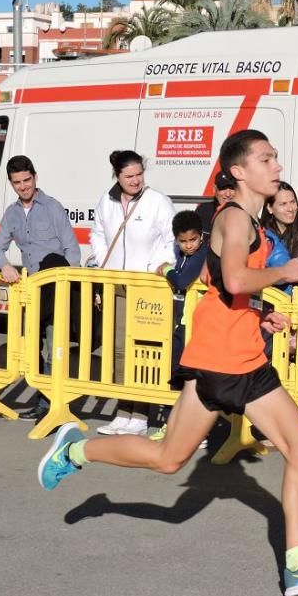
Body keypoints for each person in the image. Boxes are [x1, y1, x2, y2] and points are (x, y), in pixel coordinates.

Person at [38, 129, 298, 596]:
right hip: (233, 364)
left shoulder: (245, 220)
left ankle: (74, 452)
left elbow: (220, 288)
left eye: (275, 158)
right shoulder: (236, 220)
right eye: (267, 159)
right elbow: (234, 275)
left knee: (170, 459)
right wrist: (285, 274)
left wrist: (259, 312)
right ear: (239, 172)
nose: (277, 167)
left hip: (222, 356)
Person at [0, 155, 81, 421]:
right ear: (11, 183)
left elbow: (71, 251)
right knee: (33, 348)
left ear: (35, 177)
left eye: (26, 180)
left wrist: (67, 289)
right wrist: (4, 265)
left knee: (55, 347)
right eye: (17, 182)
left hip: (56, 289)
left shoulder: (52, 207)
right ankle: (44, 400)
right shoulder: (12, 213)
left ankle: (54, 404)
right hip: (30, 292)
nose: (23, 186)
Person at [91, 150, 176, 436]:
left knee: (142, 350)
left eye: (139, 174)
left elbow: (171, 240)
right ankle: (123, 410)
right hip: (116, 284)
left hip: (146, 288)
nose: (136, 180)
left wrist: (155, 267)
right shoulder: (107, 200)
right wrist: (105, 264)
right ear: (117, 176)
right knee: (117, 350)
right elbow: (98, 233)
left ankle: (140, 413)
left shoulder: (157, 202)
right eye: (129, 176)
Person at [150, 209, 208, 442]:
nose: (189, 245)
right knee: (174, 371)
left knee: (191, 374)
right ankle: (171, 421)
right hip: (181, 322)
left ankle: (196, 428)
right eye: (183, 241)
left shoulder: (202, 254)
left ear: (201, 237)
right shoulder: (182, 254)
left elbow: (182, 280)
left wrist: (166, 270)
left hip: (198, 323)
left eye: (193, 240)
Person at [261, 181, 298, 287]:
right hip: (273, 292)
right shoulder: (264, 231)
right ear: (270, 208)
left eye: (293, 202)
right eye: (283, 204)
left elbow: (295, 273)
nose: (290, 209)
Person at [196, 171, 236, 236]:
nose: (228, 194)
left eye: (232, 188)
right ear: (214, 189)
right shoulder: (203, 210)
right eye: (223, 188)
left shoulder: (246, 211)